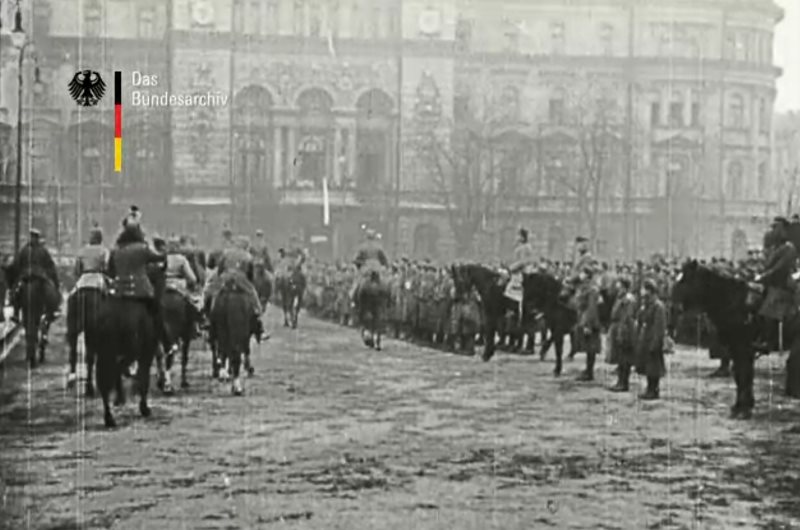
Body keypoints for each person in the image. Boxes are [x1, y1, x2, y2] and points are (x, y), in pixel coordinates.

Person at [107, 210, 167, 359]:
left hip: (119, 291)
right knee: (157, 311)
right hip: (141, 291)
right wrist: (163, 250)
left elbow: (110, 271)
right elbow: (159, 258)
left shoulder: (115, 251)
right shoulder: (142, 249)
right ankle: (166, 341)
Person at [754, 216, 798, 353]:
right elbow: (767, 266)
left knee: (770, 306)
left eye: (776, 227)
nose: (773, 230)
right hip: (772, 285)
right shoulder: (776, 248)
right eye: (772, 227)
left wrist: (762, 277)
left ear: (784, 230)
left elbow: (779, 269)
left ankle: (769, 341)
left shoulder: (789, 248)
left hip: (783, 287)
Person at [215, 235, 264, 340]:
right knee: (254, 297)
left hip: (225, 279)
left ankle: (207, 319)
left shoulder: (226, 253)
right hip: (242, 281)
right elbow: (251, 276)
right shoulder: (248, 256)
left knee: (212, 294)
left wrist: (222, 278)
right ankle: (259, 322)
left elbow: (220, 270)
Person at [10, 228, 62, 325]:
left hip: (27, 277)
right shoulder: (41, 250)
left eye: (34, 237)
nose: (33, 239)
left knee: (16, 291)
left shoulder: (24, 250)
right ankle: (51, 312)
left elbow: (16, 265)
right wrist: (55, 282)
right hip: (38, 277)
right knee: (16, 292)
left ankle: (16, 312)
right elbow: (51, 267)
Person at [635, 278, 667, 400]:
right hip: (646, 338)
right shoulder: (647, 304)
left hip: (653, 338)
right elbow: (641, 318)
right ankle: (649, 388)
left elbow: (659, 326)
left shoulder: (658, 306)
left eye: (644, 289)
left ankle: (654, 390)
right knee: (648, 366)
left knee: (654, 367)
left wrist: (655, 342)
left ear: (649, 290)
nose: (642, 291)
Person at [164, 236, 202, 337]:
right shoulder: (181, 259)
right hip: (179, 287)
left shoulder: (161, 257)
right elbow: (192, 278)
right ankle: (195, 326)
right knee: (193, 306)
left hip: (162, 287)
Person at [606, 276, 637, 392]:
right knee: (620, 357)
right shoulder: (621, 297)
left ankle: (624, 383)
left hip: (625, 329)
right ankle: (620, 381)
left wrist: (622, 331)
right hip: (619, 327)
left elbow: (627, 316)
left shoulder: (628, 299)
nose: (617, 286)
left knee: (625, 357)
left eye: (619, 284)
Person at [575, 266, 601, 381]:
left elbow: (592, 308)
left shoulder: (592, 289)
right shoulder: (585, 287)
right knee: (588, 347)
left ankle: (589, 372)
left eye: (583, 273)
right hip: (585, 318)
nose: (580, 274)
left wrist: (588, 325)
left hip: (590, 321)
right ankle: (588, 370)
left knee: (591, 347)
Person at [350, 229, 389, 303]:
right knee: (385, 283)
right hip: (378, 269)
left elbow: (356, 259)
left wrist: (359, 264)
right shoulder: (379, 247)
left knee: (357, 283)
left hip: (366, 269)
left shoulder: (362, 247)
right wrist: (385, 265)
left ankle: (352, 299)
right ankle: (389, 301)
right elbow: (385, 260)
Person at [73, 223, 110, 293]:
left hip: (83, 279)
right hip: (99, 278)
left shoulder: (82, 250)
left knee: (72, 296)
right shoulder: (104, 251)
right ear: (100, 238)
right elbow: (106, 267)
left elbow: (77, 269)